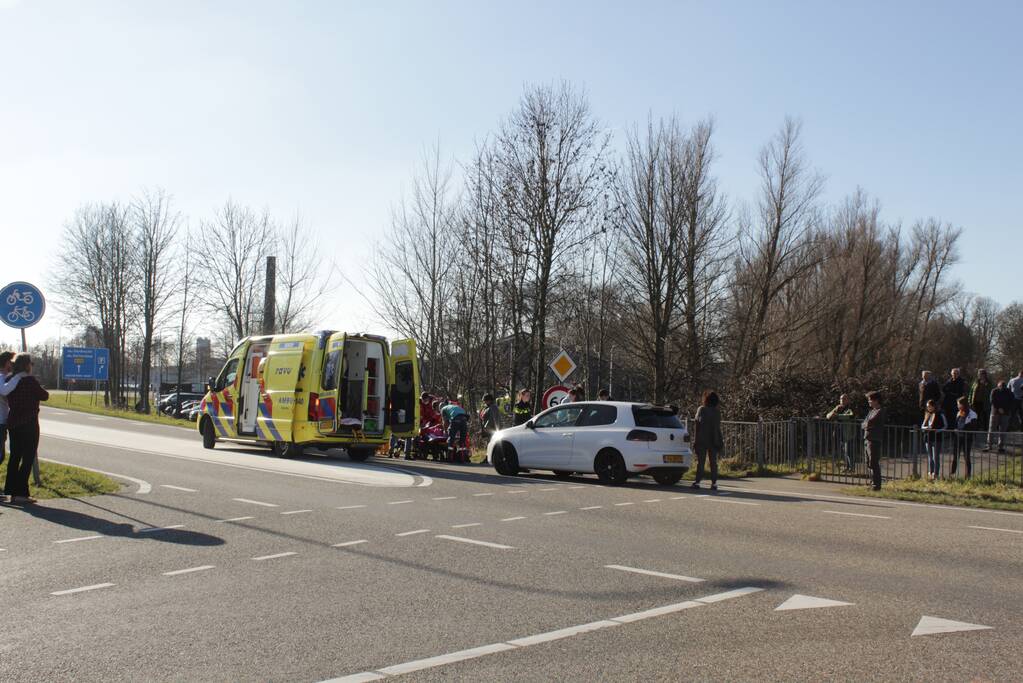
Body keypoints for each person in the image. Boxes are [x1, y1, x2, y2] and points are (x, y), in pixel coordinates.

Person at [3, 353, 48, 504]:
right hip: (29, 423)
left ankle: (10, 491)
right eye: (31, 364)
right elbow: (44, 396)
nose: (32, 366)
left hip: (14, 422)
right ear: (27, 365)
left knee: (14, 457)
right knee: (28, 457)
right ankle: (21, 493)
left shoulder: (10, 380)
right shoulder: (30, 381)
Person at [691, 390, 723, 491]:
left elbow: (697, 425)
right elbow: (718, 427)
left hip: (702, 439)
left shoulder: (701, 409)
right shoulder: (717, 412)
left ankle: (697, 482)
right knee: (713, 462)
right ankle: (714, 483)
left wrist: (695, 440)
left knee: (701, 462)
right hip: (714, 439)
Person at [0, 351, 24, 474]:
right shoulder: (1, 377)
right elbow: (4, 391)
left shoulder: (5, 378)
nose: (13, 364)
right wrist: (18, 376)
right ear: (7, 363)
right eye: (11, 362)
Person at [826, 393, 858, 473]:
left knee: (849, 451)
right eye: (841, 399)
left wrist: (837, 416)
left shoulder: (851, 408)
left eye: (844, 399)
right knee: (845, 451)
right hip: (840, 432)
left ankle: (851, 468)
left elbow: (851, 416)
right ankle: (847, 467)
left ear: (848, 400)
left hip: (849, 433)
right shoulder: (838, 407)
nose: (842, 400)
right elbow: (828, 415)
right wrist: (831, 415)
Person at [950, 397, 980, 479]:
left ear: (963, 404)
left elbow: (974, 427)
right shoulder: (959, 413)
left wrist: (963, 429)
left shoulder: (972, 414)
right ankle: (952, 474)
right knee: (955, 456)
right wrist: (955, 430)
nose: (958, 406)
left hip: (967, 438)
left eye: (959, 404)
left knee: (967, 457)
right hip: (958, 437)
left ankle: (968, 475)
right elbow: (956, 424)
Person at [862, 391, 886, 491]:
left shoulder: (880, 411)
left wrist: (867, 424)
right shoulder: (871, 411)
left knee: (873, 462)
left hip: (874, 439)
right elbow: (864, 423)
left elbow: (870, 423)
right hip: (867, 438)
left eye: (870, 400)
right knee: (868, 462)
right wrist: (866, 424)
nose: (869, 402)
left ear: (876, 400)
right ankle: (872, 482)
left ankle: (876, 485)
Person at [984, 380, 1013, 453]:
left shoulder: (1009, 392)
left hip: (1005, 413)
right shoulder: (994, 391)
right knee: (991, 429)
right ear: (998, 386)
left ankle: (1001, 446)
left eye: (1003, 387)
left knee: (1003, 430)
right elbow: (992, 401)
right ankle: (989, 445)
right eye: (1000, 386)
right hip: (995, 412)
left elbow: (1012, 401)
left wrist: (1004, 409)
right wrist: (999, 408)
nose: (1001, 388)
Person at [921, 399, 946, 481]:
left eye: (930, 406)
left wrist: (937, 430)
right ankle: (930, 472)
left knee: (936, 457)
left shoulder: (940, 414)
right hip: (928, 437)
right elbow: (922, 426)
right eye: (927, 407)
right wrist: (926, 428)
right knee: (930, 457)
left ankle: (936, 473)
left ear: (934, 406)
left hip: (936, 438)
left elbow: (945, 426)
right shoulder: (927, 414)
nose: (929, 408)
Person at [441, 399, 470, 463]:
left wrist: (445, 431)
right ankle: (462, 458)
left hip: (456, 419)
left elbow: (445, 422)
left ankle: (449, 458)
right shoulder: (455, 406)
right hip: (464, 419)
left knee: (451, 439)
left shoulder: (443, 409)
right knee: (462, 440)